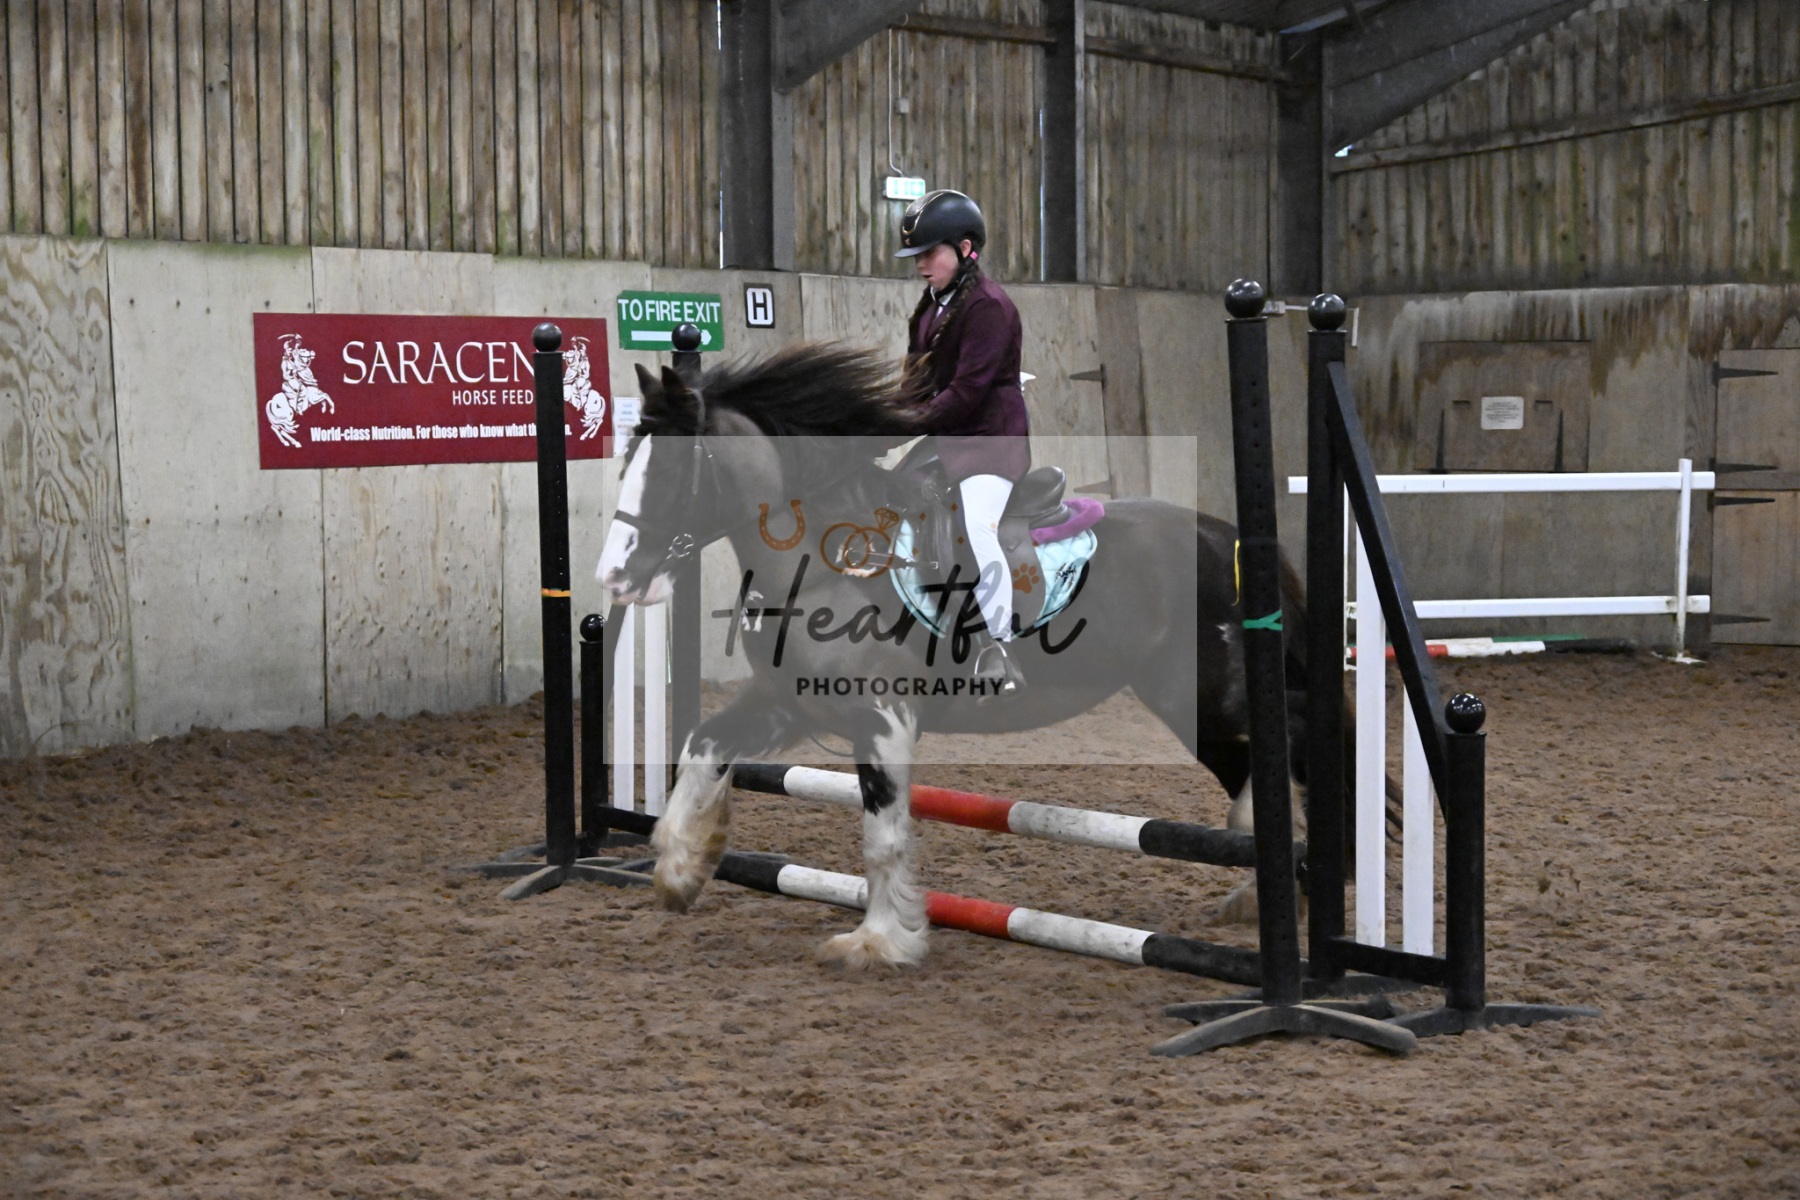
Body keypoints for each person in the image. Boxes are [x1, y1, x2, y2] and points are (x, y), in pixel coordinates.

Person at [895, 189, 1029, 696]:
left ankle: (998, 646)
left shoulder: (988, 307)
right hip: (950, 437)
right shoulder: (930, 308)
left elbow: (967, 392)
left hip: (991, 439)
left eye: (930, 253)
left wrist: (908, 425)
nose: (920, 265)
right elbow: (916, 383)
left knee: (977, 525)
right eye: (917, 255)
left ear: (966, 249)